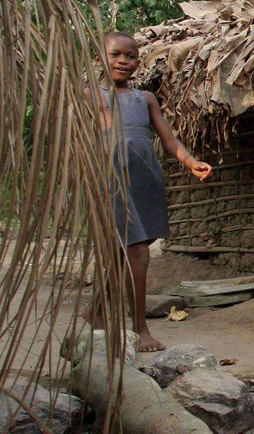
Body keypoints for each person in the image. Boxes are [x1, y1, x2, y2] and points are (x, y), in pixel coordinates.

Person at [88, 31, 212, 352]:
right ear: (101, 57)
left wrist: (191, 162)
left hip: (145, 177)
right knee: (138, 251)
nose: (123, 61)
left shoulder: (145, 99)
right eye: (116, 54)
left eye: (130, 56)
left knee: (124, 249)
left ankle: (97, 312)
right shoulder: (90, 95)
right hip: (111, 177)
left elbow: (169, 141)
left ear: (138, 61)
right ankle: (140, 329)